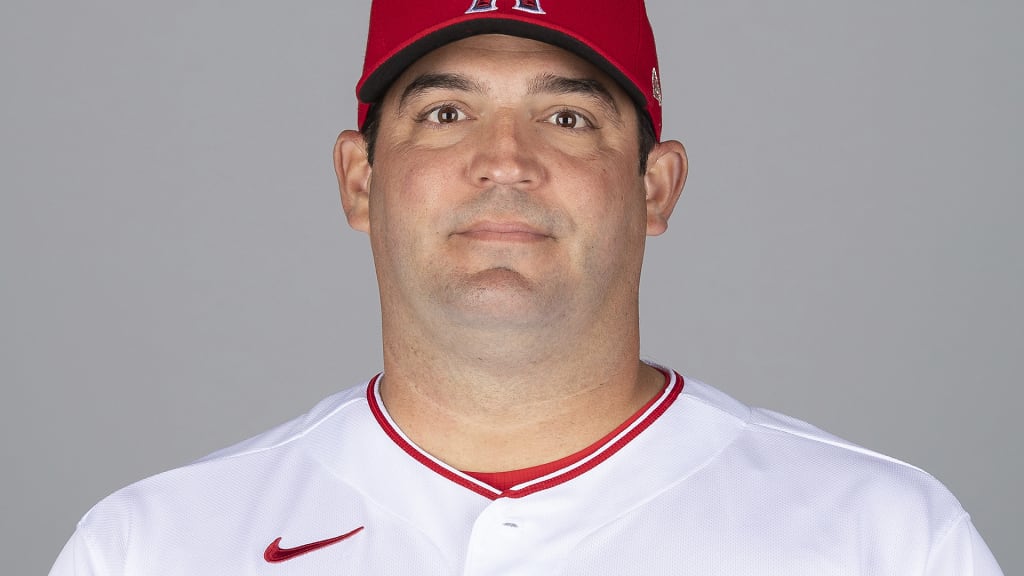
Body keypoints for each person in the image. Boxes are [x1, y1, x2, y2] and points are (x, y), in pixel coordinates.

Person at [50, 0, 1002, 574]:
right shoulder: (154, 548)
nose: (504, 160)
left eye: (567, 118)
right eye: (446, 112)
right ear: (360, 180)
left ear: (656, 186)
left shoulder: (881, 539)